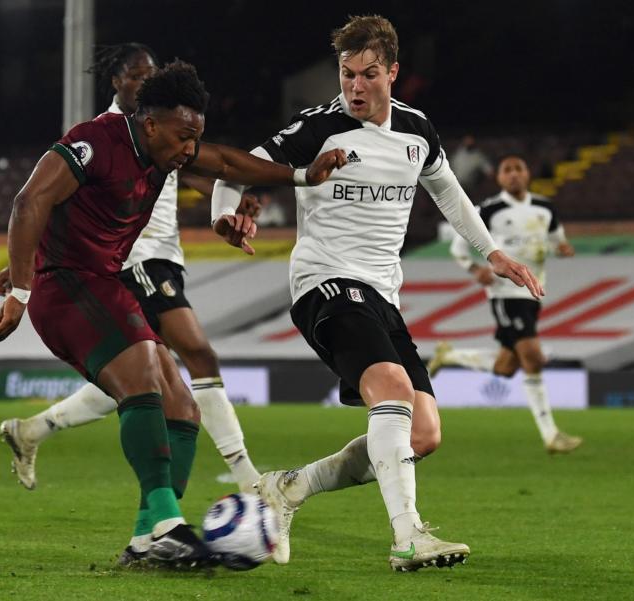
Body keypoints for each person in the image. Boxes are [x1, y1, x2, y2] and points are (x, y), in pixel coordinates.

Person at [0, 60, 346, 568]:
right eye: (182, 137)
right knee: (144, 380)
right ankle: (169, 525)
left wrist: (303, 176)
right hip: (64, 287)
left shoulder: (162, 155)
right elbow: (30, 201)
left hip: (103, 284)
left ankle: (145, 541)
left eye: (194, 137)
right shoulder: (98, 141)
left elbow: (226, 164)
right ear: (150, 123)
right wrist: (19, 288)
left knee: (183, 406)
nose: (189, 149)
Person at [210, 15, 542, 572]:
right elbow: (234, 170)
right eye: (346, 75)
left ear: (393, 71)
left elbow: (450, 194)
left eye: (368, 75)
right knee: (390, 388)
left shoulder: (417, 131)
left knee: (424, 432)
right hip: (324, 282)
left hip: (380, 293)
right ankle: (408, 536)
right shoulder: (318, 128)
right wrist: (226, 213)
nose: (355, 88)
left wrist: (494, 254)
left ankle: (288, 488)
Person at [0, 43, 260, 518]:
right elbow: (50, 204)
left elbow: (211, 176)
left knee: (146, 375)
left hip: (165, 257)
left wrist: (232, 204)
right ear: (117, 81)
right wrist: (27, 270)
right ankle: (243, 480)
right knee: (192, 355)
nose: (144, 80)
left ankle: (36, 430)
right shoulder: (106, 136)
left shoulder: (170, 132)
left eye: (151, 74)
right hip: (132, 263)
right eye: (136, 74)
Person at [429, 155, 582, 454]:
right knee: (533, 357)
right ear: (499, 178)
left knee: (506, 367)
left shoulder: (545, 208)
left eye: (518, 169)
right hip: (506, 293)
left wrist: (562, 248)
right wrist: (476, 270)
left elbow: (555, 240)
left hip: (535, 291)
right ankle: (551, 435)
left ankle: (449, 357)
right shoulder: (489, 209)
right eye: (507, 170)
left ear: (527, 174)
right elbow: (458, 246)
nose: (513, 175)